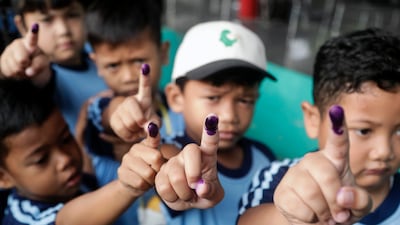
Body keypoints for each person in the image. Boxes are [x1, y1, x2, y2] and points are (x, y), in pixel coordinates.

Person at [237, 28, 400, 225]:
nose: (384, 152)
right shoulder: (277, 178)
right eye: (364, 131)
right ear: (313, 119)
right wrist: (294, 218)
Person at [152, 20, 277, 225]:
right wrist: (183, 175)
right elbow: (170, 167)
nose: (229, 116)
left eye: (245, 100)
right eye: (213, 97)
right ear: (175, 97)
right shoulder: (170, 152)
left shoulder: (265, 157)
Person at [0, 78, 164, 225]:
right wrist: (127, 187)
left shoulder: (77, 182)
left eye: (65, 139)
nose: (65, 159)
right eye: (41, 159)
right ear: (3, 177)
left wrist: (121, 111)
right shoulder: (22, 217)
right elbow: (66, 220)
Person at [0, 0, 108, 135]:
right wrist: (10, 67)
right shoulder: (42, 74)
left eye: (72, 15)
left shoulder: (98, 55)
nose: (63, 30)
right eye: (47, 20)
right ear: (21, 26)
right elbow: (38, 77)